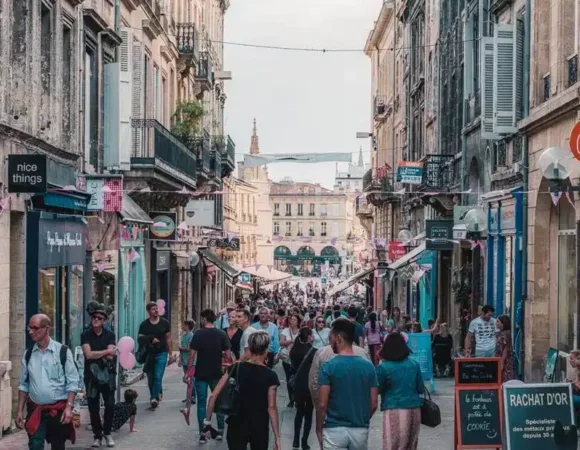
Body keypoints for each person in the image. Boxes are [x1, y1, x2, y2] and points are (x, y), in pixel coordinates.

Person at [203, 331, 281, 450]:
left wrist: (207, 423)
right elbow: (271, 407)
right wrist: (277, 438)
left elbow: (213, 396)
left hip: (236, 424)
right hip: (259, 427)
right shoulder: (271, 376)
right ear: (266, 349)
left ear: (249, 347)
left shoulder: (235, 367)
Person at [17, 314, 80, 450]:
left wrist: (69, 407)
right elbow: (23, 384)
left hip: (58, 410)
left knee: (58, 445)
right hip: (36, 410)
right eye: (29, 328)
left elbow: (73, 382)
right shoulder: (28, 355)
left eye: (35, 328)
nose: (31, 331)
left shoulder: (62, 352)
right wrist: (19, 410)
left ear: (47, 329)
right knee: (35, 444)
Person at [316, 319, 379, 450]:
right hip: (360, 429)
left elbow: (322, 404)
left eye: (331, 338)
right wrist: (362, 420)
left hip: (334, 429)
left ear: (339, 339)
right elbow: (373, 403)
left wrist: (319, 428)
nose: (330, 341)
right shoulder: (368, 366)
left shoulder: (328, 367)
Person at [187, 308, 232, 443]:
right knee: (218, 401)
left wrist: (188, 372)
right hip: (216, 373)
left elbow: (192, 355)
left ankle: (203, 433)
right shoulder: (221, 334)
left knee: (201, 403)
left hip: (201, 373)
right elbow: (228, 355)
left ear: (204, 319)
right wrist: (220, 353)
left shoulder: (198, 334)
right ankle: (219, 431)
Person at [376, 333, 425, 450]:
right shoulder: (414, 365)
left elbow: (377, 389)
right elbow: (420, 389)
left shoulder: (383, 367)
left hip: (394, 409)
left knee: (392, 446)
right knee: (411, 446)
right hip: (415, 410)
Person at [80, 306, 117, 448]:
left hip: (108, 374)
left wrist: (99, 353)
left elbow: (111, 354)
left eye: (99, 318)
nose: (95, 320)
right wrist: (105, 351)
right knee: (93, 407)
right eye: (94, 317)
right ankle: (97, 435)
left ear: (104, 321)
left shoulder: (110, 334)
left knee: (110, 404)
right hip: (91, 376)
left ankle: (107, 433)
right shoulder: (85, 334)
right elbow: (88, 354)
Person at [138, 302, 174, 408]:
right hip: (150, 354)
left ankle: (153, 398)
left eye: (157, 308)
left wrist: (171, 354)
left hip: (162, 353)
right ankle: (157, 393)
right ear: (149, 311)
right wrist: (150, 338)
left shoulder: (164, 323)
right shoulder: (144, 325)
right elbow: (140, 338)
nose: (156, 311)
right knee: (151, 378)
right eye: (153, 309)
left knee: (158, 376)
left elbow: (168, 338)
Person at [290, 327, 317, 450]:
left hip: (298, 386)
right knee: (308, 414)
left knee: (299, 413)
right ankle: (304, 441)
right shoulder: (314, 351)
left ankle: (295, 440)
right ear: (309, 337)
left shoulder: (294, 350)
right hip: (309, 385)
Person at [281, 314, 302, 407]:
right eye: (291, 319)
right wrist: (290, 342)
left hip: (298, 359)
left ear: (298, 321)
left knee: (297, 379)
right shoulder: (285, 330)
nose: (292, 321)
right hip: (287, 359)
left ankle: (297, 398)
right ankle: (291, 399)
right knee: (289, 379)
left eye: (294, 320)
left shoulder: (301, 332)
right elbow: (281, 342)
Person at [178, 319, 196, 404]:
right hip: (185, 360)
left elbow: (190, 349)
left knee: (190, 378)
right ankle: (189, 396)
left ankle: (192, 396)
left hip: (190, 360)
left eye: (184, 325)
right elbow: (181, 349)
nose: (182, 326)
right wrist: (180, 359)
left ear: (188, 326)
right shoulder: (184, 336)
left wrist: (181, 348)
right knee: (188, 378)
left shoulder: (191, 336)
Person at [495, 315, 516, 382]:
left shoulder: (505, 334)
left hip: (505, 360)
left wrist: (502, 362)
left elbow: (506, 349)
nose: (496, 323)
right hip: (499, 358)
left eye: (498, 322)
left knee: (505, 377)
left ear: (503, 323)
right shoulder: (500, 333)